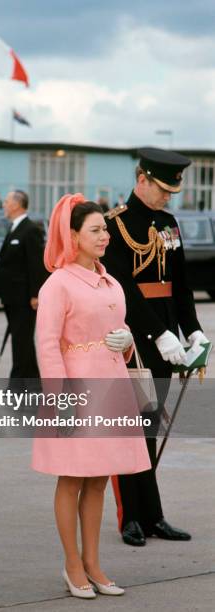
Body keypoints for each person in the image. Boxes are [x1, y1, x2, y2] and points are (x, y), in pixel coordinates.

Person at [32, 194, 151, 599]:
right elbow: (46, 345)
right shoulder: (58, 284)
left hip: (111, 385)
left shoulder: (111, 280)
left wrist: (129, 341)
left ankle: (94, 563)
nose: (105, 237)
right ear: (74, 236)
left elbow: (119, 330)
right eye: (96, 230)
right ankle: (71, 564)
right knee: (72, 480)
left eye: (105, 230)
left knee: (99, 480)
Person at [102, 147, 208, 546]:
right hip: (134, 338)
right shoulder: (114, 224)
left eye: (172, 190)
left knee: (151, 425)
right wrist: (157, 333)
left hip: (166, 340)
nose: (168, 196)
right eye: (162, 188)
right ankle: (131, 516)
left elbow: (180, 284)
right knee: (132, 428)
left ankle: (154, 514)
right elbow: (124, 288)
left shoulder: (168, 223)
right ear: (142, 179)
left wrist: (191, 330)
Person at [0, 190, 48, 380]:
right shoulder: (14, 228)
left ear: (16, 205)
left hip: (24, 298)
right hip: (12, 296)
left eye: (6, 201)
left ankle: (18, 382)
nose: (4, 205)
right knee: (22, 341)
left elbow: (36, 265)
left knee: (22, 340)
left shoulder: (30, 229)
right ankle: (33, 378)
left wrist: (36, 294)